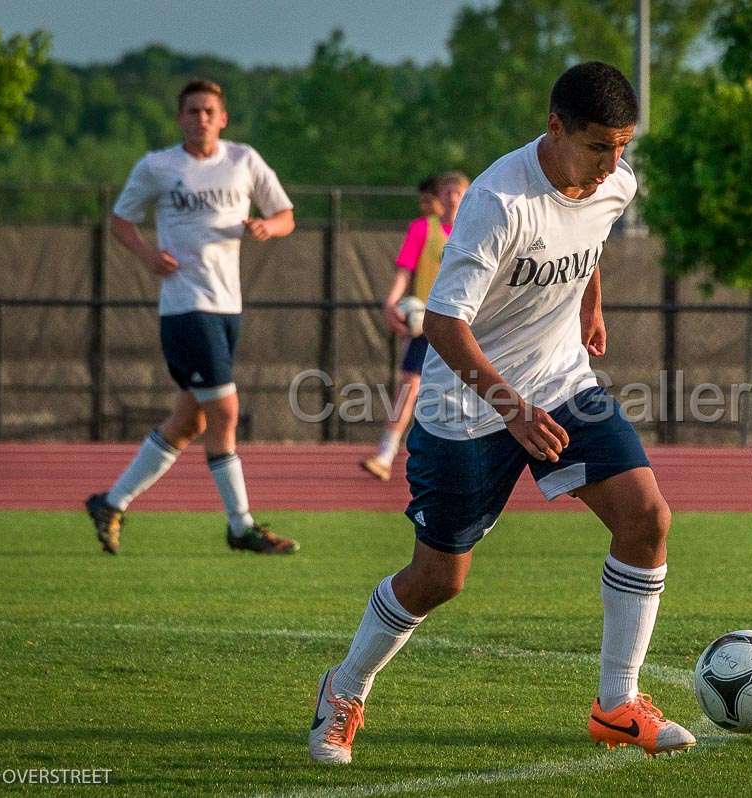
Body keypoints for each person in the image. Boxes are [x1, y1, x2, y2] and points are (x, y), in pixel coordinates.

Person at [309, 62, 696, 763]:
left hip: (560, 382)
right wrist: (512, 411)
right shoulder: (497, 201)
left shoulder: (616, 184)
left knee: (648, 520)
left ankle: (616, 705)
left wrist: (589, 303)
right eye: (599, 147)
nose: (614, 165)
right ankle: (344, 687)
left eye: (623, 146)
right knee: (439, 580)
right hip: (466, 409)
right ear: (554, 127)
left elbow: (589, 239)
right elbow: (443, 325)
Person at [84, 79, 299, 556]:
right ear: (179, 118)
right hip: (185, 307)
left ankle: (111, 501)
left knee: (189, 422)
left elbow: (286, 214)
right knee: (225, 411)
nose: (200, 118)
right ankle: (240, 525)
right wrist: (146, 254)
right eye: (192, 111)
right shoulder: (158, 166)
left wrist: (268, 226)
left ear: (222, 118)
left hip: (227, 306)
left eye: (209, 111)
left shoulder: (243, 160)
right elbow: (121, 220)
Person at [360, 171, 470, 481]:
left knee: (470, 391)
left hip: (466, 324)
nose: (451, 197)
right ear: (438, 196)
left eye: (458, 192)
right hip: (429, 323)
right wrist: (391, 302)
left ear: (468, 196)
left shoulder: (476, 230)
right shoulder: (423, 229)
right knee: (409, 387)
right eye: (446, 191)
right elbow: (404, 271)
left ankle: (466, 459)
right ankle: (385, 453)